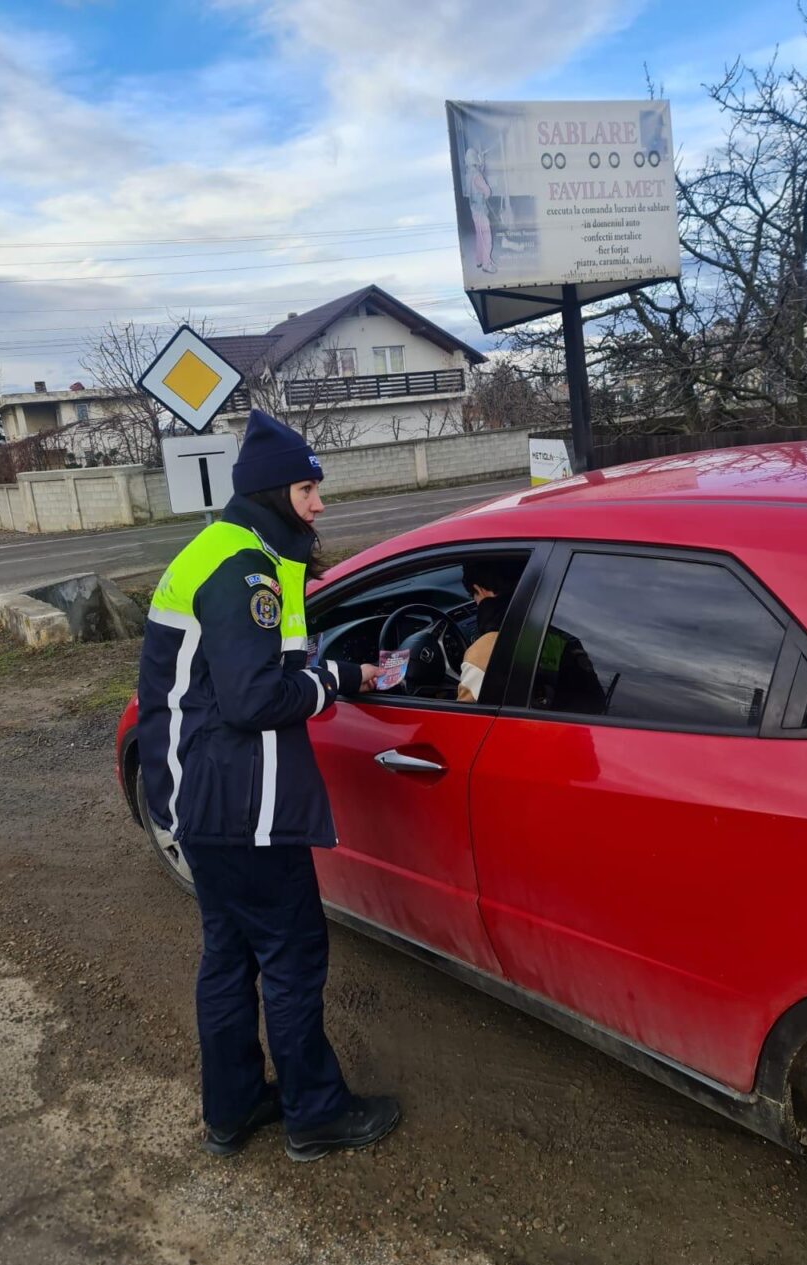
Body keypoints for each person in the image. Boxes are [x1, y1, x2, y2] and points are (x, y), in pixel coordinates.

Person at [137, 409, 400, 1162]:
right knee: (289, 955)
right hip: (245, 805)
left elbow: (246, 677)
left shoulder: (223, 551)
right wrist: (331, 687)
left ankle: (234, 1107)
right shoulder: (242, 568)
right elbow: (257, 700)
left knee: (229, 955)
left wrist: (338, 672)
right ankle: (316, 1114)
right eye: (308, 489)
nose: (319, 504)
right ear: (272, 491)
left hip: (203, 801)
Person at [457, 560, 523, 702]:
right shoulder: (552, 627)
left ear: (479, 589)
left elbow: (464, 718)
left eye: (474, 597)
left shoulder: (482, 652)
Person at [465, 147, 496, 274]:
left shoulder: (468, 174)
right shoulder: (477, 175)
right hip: (481, 211)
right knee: (487, 238)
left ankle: (479, 260)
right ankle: (486, 264)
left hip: (474, 211)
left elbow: (476, 180)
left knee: (479, 237)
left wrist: (481, 161)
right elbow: (487, 192)